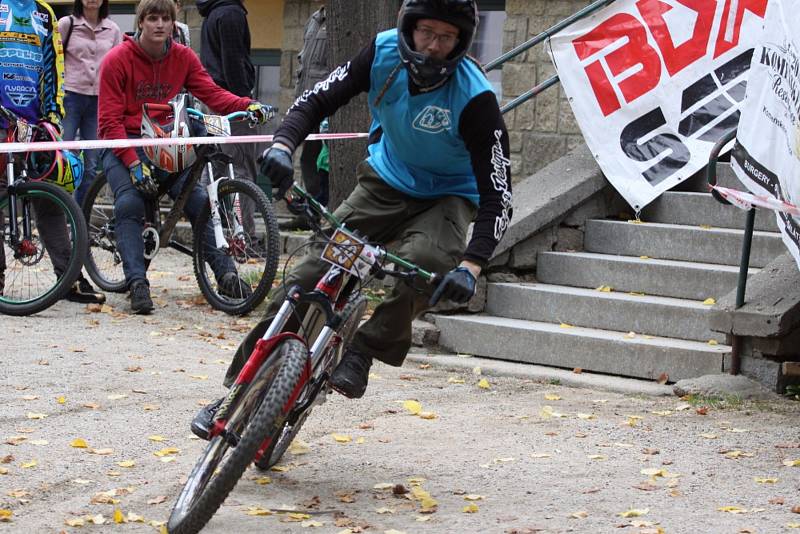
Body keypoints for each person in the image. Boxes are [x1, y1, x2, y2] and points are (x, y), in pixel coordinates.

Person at [191, 0, 512, 439]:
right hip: (383, 184)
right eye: (426, 33)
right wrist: (284, 145)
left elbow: (499, 192)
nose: (433, 46)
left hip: (448, 198)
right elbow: (316, 99)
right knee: (305, 277)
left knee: (425, 260)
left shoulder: (475, 98)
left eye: (445, 38)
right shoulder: (379, 53)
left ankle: (365, 347)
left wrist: (471, 267)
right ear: (408, 27)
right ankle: (235, 392)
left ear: (461, 42)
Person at [97, 0, 273, 314]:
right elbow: (108, 123)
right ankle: (137, 282)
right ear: (141, 22)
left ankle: (226, 275)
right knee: (130, 203)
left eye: (166, 18)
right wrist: (133, 164)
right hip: (127, 142)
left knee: (199, 203)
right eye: (153, 18)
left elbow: (213, 93)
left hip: (168, 142)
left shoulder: (183, 57)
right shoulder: (117, 60)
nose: (160, 25)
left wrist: (247, 105)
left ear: (173, 24)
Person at [0, 0, 104, 304]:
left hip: (32, 121)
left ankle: (69, 279)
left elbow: (55, 66)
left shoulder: (44, 13)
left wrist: (52, 115)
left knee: (50, 198)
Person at [196, 0, 260, 247]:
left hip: (214, 101)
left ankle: (205, 232)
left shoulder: (212, 12)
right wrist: (245, 103)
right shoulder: (231, 13)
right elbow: (233, 62)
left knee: (215, 167)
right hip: (232, 103)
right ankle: (246, 237)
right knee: (242, 167)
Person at [58, 0, 122, 207]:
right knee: (63, 159)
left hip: (99, 101)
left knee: (91, 164)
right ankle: (60, 213)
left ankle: (81, 216)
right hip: (70, 97)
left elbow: (119, 66)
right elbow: (53, 58)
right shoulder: (67, 24)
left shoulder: (113, 29)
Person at [282, 0, 327, 230]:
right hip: (307, 104)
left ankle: (319, 212)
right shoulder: (314, 20)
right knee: (307, 160)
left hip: (327, 106)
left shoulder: (336, 24)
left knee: (321, 163)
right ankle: (310, 213)